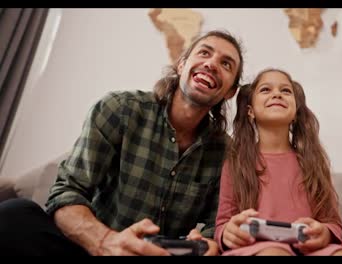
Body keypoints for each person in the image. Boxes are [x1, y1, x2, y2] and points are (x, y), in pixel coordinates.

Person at [0, 29, 244, 256]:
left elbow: (218, 224)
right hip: (90, 247)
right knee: (14, 214)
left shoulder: (227, 153)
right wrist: (106, 242)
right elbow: (67, 192)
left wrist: (208, 241)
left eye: (226, 64)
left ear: (230, 92)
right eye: (204, 52)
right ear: (181, 65)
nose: (211, 64)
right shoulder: (119, 110)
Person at [214, 68, 342, 256]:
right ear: (250, 111)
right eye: (266, 90)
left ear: (296, 113)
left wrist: (323, 233)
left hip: (310, 249)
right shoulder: (236, 164)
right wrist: (228, 232)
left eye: (286, 91)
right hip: (258, 248)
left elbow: (332, 222)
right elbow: (223, 224)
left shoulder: (312, 161)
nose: (277, 94)